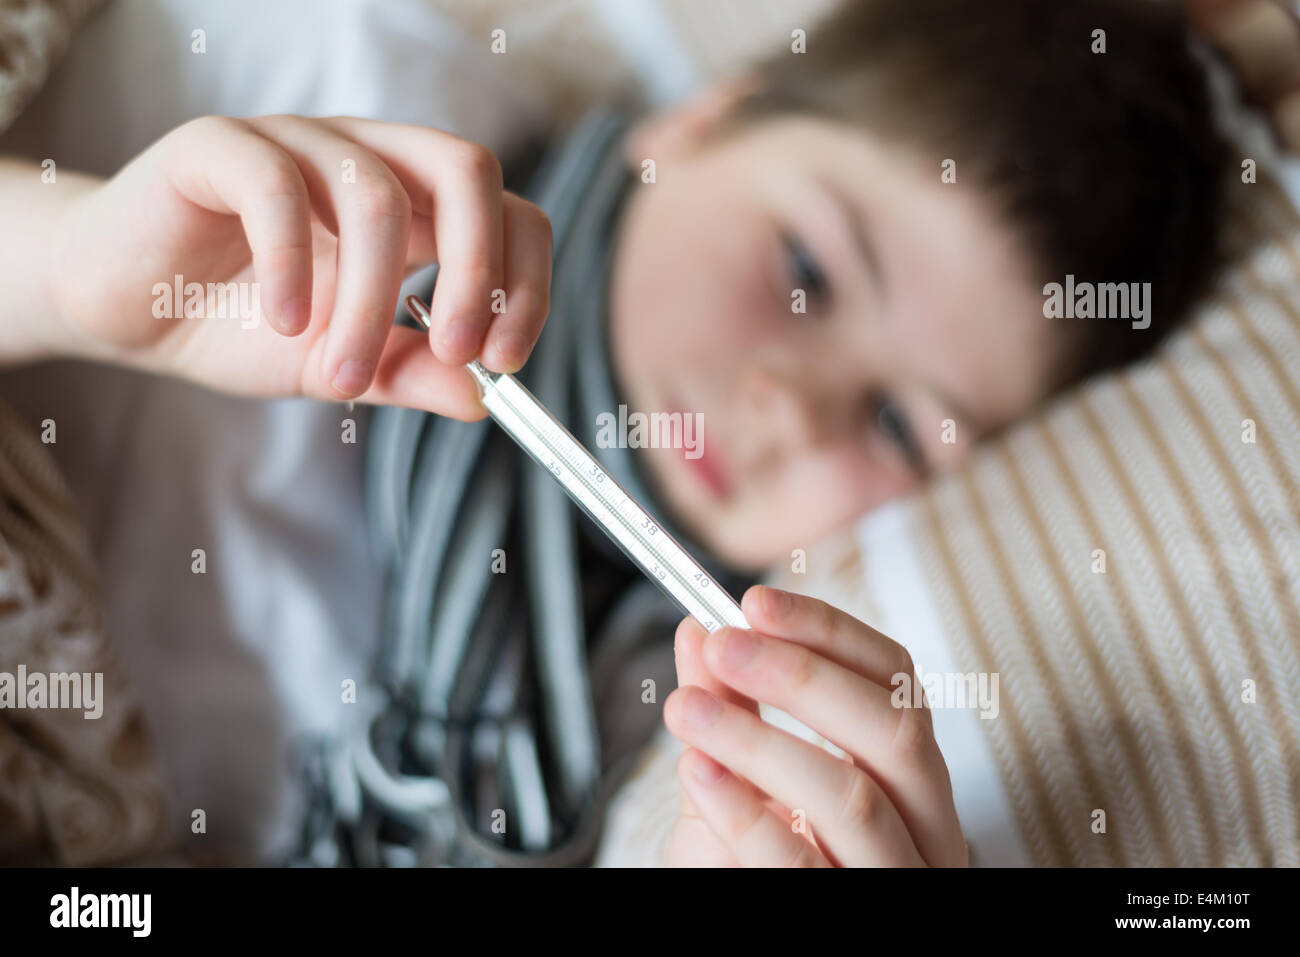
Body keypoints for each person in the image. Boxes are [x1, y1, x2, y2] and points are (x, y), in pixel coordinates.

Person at [0, 0, 1229, 866]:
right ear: (697, 123)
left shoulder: (651, 729)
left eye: (901, 424)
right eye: (805, 269)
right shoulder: (327, 89)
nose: (790, 408)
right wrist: (61, 265)